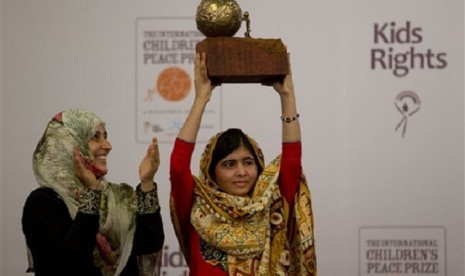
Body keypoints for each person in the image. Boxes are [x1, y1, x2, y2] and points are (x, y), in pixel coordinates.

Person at [169, 53, 317, 275]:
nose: (241, 172)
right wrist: (201, 99)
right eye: (229, 164)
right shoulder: (196, 205)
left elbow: (292, 160)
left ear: (259, 167)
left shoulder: (272, 203)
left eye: (248, 162)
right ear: (212, 174)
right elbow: (178, 167)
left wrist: (287, 96)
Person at [22, 109, 164, 276]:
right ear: (68, 144)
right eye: (95, 137)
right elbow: (69, 262)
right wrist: (91, 194)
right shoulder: (43, 202)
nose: (108, 146)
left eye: (105, 136)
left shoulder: (116, 198)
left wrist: (147, 183)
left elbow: (149, 243)